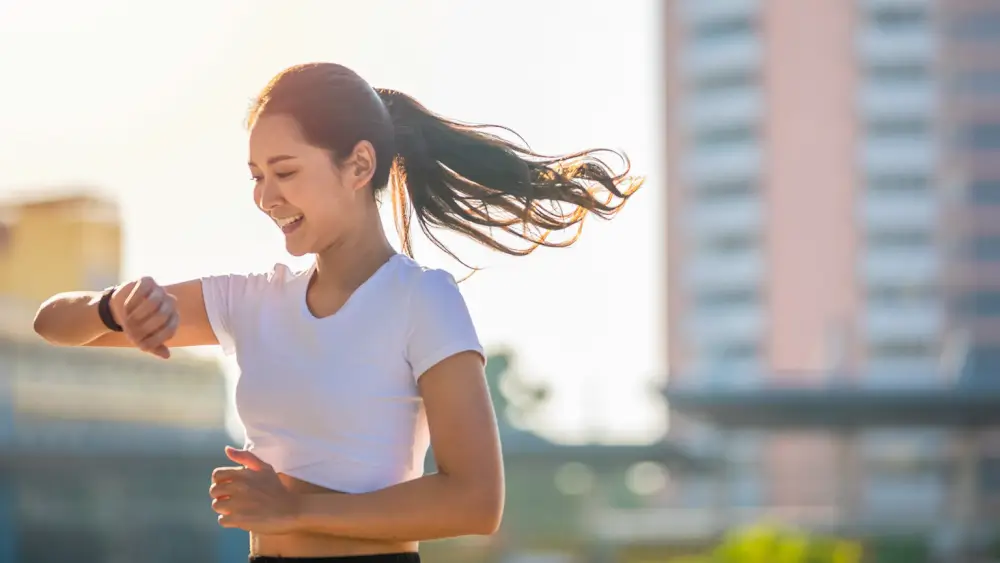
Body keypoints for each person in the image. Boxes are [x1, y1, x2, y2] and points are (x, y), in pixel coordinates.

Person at [32, 62, 643, 562]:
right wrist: (115, 307)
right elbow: (53, 324)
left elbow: (477, 501)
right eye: (255, 176)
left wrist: (294, 510)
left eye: (286, 172)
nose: (266, 198)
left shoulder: (420, 299)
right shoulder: (248, 300)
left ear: (358, 165)